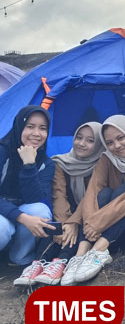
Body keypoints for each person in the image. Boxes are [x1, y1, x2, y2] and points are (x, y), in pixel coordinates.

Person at [60, 115, 125, 285]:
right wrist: (89, 224)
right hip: (106, 215)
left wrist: (98, 223)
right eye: (109, 142)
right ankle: (81, 254)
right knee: (104, 194)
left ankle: (98, 250)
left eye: (121, 138)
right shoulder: (107, 158)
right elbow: (92, 192)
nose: (116, 146)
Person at [14, 122, 106, 286]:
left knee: (79, 229)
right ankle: (38, 263)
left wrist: (73, 222)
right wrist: (64, 223)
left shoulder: (104, 164)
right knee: (55, 226)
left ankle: (61, 262)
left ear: (99, 144)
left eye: (90, 140)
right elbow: (59, 195)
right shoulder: (61, 162)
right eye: (78, 137)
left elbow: (92, 197)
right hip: (66, 213)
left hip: (92, 214)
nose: (81, 143)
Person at [1, 106, 56, 283]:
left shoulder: (46, 163)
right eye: (30, 126)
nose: (36, 133)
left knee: (40, 211)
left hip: (19, 209)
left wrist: (29, 165)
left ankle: (19, 260)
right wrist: (21, 217)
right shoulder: (2, 152)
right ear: (19, 126)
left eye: (43, 128)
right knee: (2, 227)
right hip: (4, 213)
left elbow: (34, 198)